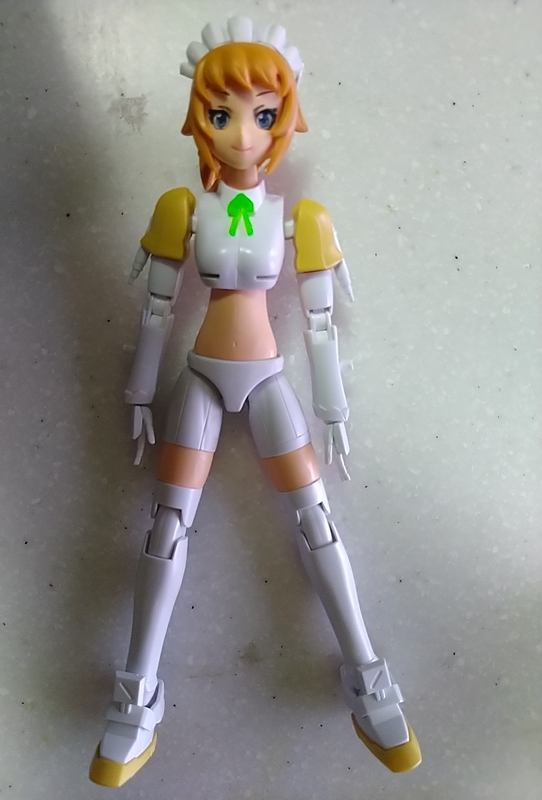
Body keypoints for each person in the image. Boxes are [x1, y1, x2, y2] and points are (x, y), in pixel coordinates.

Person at [90, 16, 421, 788]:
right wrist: (139, 394)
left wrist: (332, 408)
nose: (243, 133)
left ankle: (367, 673)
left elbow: (320, 324)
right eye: (223, 113)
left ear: (285, 119)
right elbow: (155, 313)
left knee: (317, 520)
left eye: (263, 113)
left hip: (269, 379)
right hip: (201, 379)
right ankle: (139, 695)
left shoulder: (302, 218)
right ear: (199, 117)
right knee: (166, 527)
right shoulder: (182, 207)